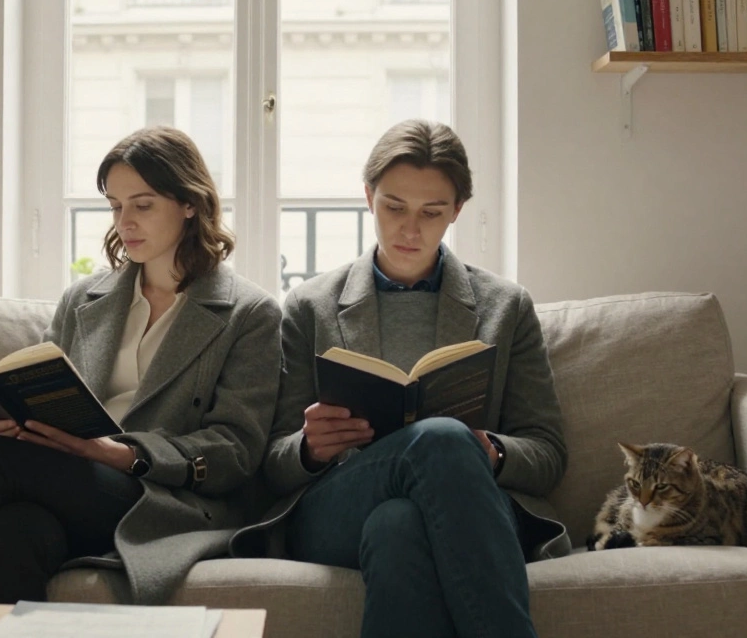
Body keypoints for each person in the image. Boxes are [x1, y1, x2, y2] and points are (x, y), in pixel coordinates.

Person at [0, 125, 282, 606]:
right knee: (14, 530)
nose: (126, 222)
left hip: (156, 499)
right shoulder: (84, 299)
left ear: (190, 203)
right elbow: (39, 380)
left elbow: (236, 451)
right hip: (68, 485)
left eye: (143, 205)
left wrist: (123, 454)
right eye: (115, 206)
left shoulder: (250, 314)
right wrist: (9, 416)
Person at [240, 119, 569, 638]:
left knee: (398, 526)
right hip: (337, 509)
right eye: (394, 207)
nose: (410, 230)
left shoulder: (506, 307)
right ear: (368, 197)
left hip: (466, 508)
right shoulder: (310, 307)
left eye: (432, 212)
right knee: (438, 441)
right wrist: (308, 448)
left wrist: (492, 453)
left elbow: (548, 454)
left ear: (457, 211)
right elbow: (272, 466)